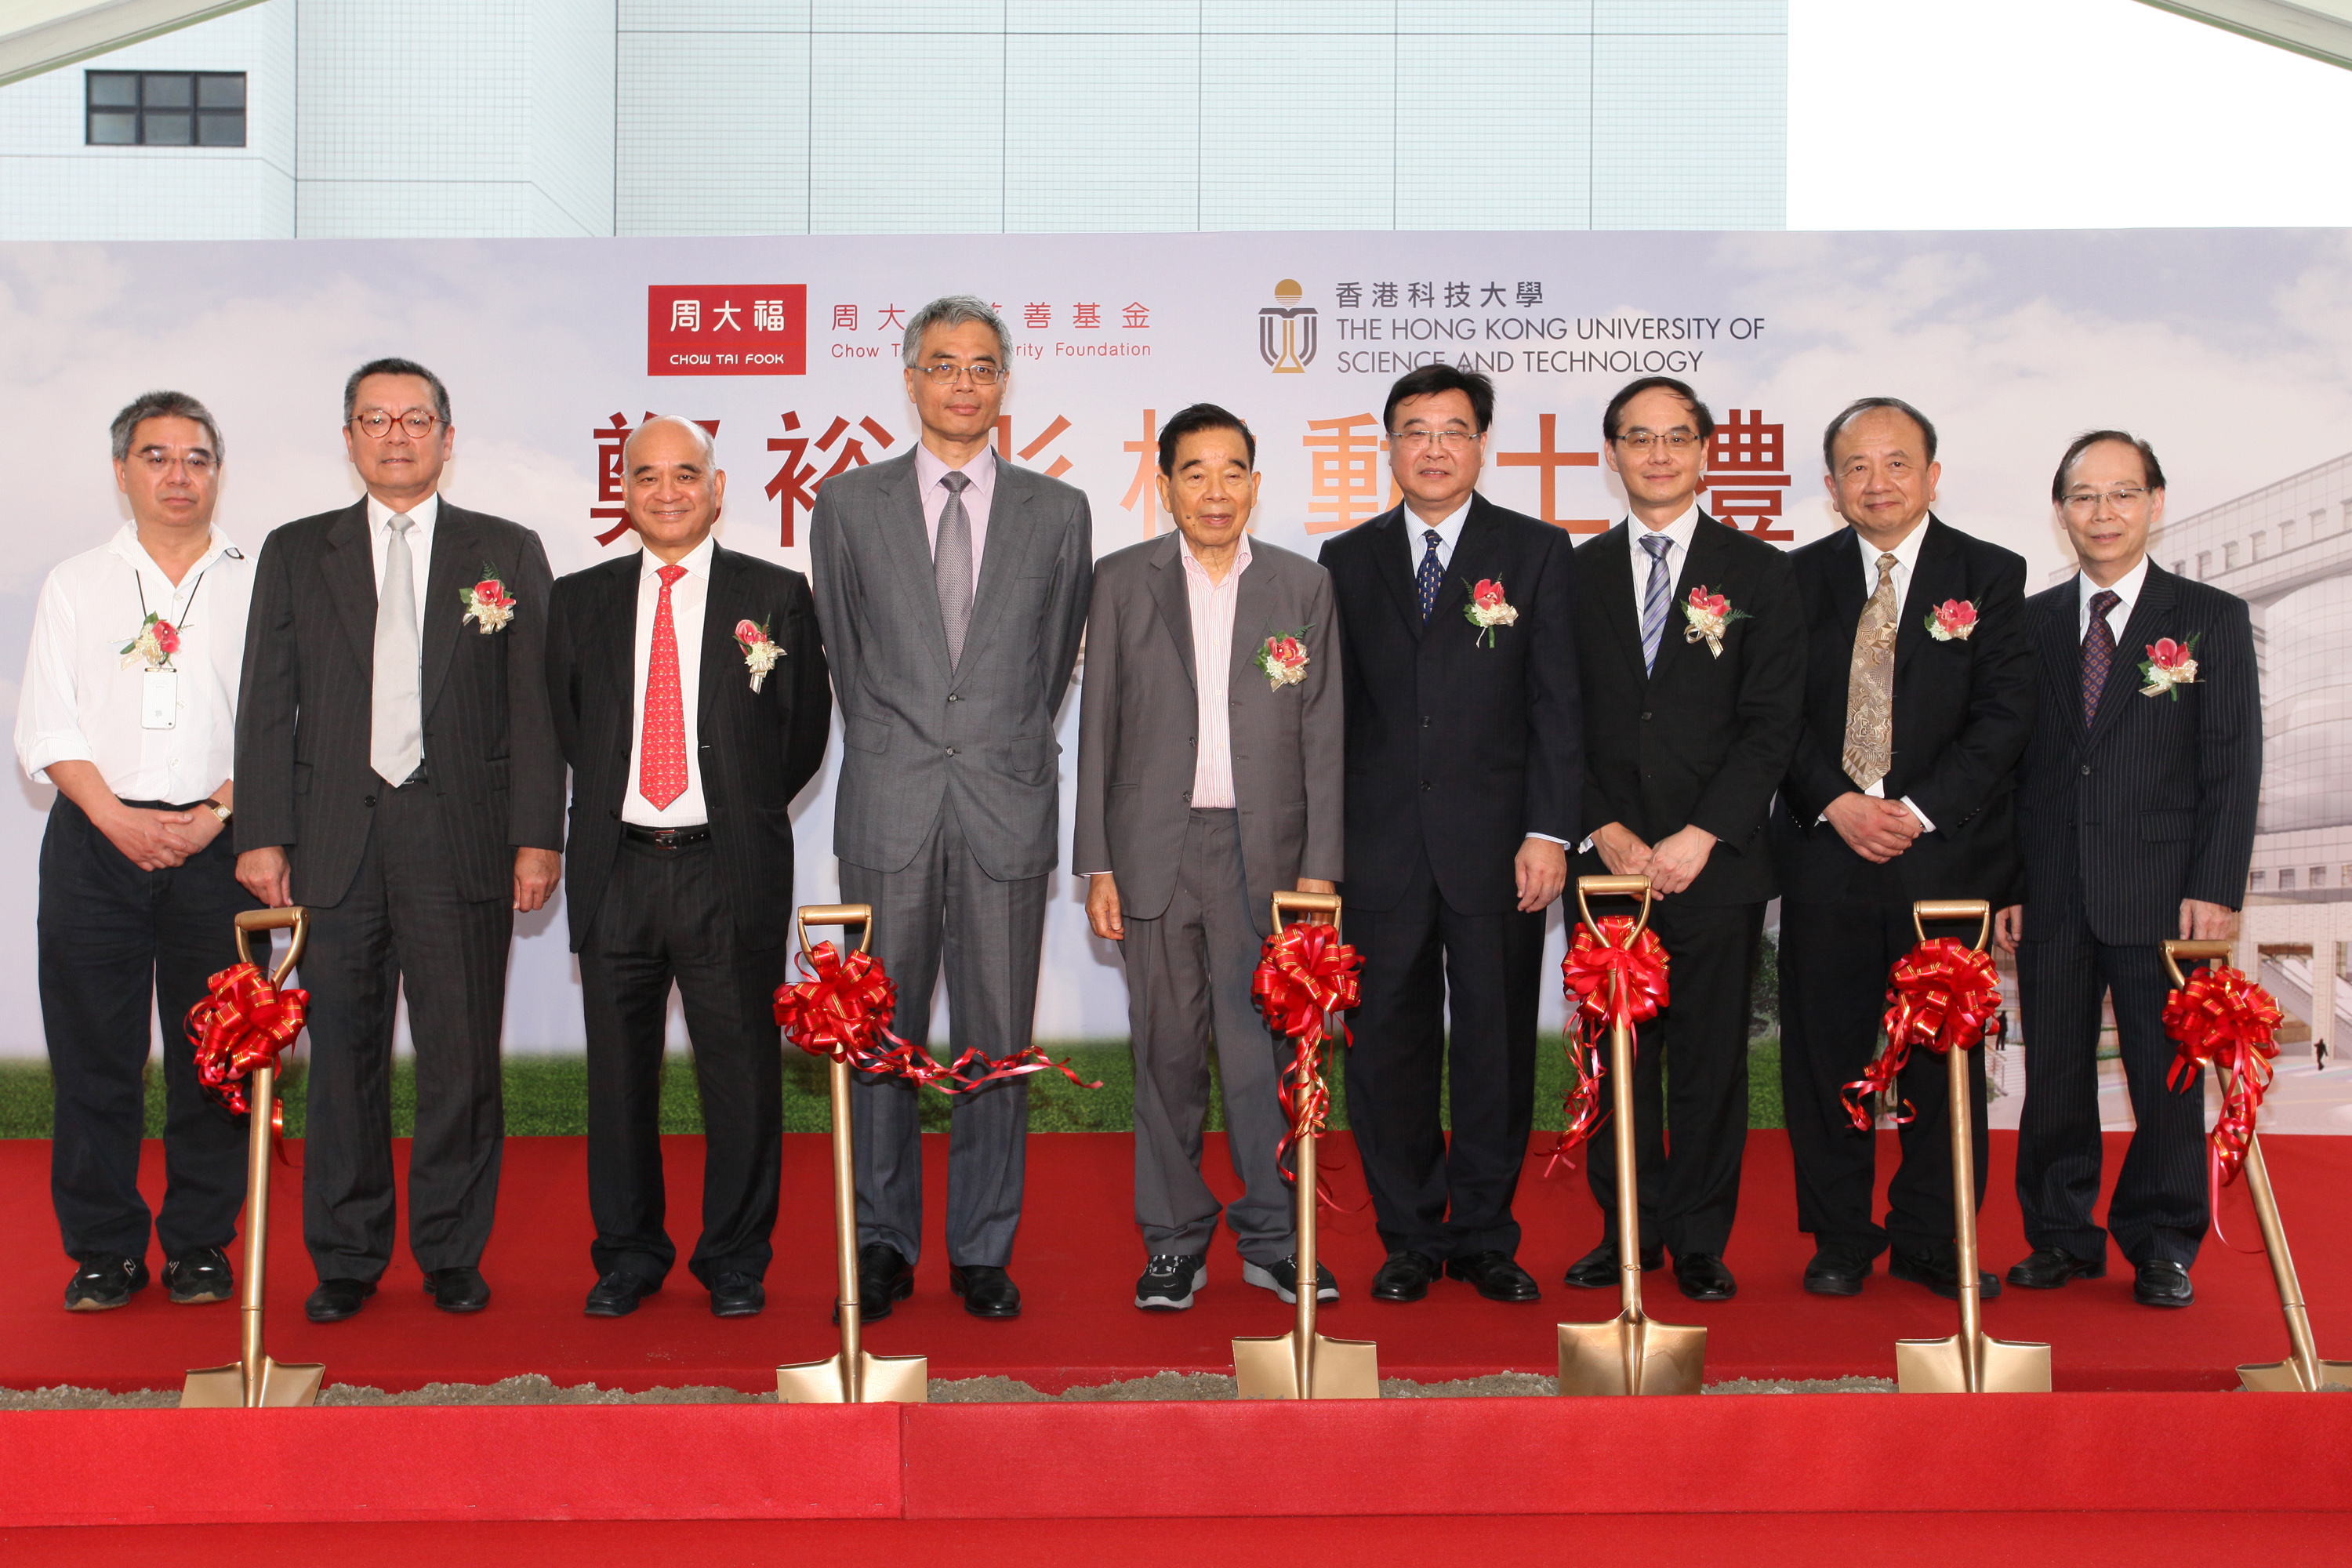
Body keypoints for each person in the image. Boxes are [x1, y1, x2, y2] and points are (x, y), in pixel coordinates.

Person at [234, 358, 564, 1322]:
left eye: (415, 418)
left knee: (461, 1057)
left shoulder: (506, 548)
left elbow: (537, 707)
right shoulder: (299, 550)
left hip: (462, 837)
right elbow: (267, 702)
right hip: (334, 840)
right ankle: (346, 1254)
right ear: (349, 438)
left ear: (447, 438)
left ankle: (452, 1250)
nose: (395, 435)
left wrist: (537, 835)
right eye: (374, 419)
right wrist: (262, 832)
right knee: (342, 1058)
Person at [808, 296, 1092, 1321]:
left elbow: (1050, 665)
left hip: (1005, 805)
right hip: (889, 801)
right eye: (944, 365)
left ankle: (981, 1247)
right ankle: (881, 1242)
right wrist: (904, 744)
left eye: (982, 366)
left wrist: (992, 744)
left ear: (1005, 383)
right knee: (878, 1034)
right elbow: (846, 654)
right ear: (911, 379)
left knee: (995, 1034)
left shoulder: (1059, 512)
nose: (964, 383)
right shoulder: (848, 504)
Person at [545, 416, 829, 1319]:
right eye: (646, 475)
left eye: (685, 474)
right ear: (623, 492)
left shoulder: (775, 595)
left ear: (717, 489)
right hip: (617, 868)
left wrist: (737, 806)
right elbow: (570, 727)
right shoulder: (578, 599)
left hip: (726, 867)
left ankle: (735, 1257)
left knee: (740, 1076)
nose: (666, 491)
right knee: (618, 1079)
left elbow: (803, 735)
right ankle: (629, 1253)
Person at [1317, 365, 1581, 1306]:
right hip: (1378, 849)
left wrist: (1549, 831)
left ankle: (1483, 1235)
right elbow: (1331, 716)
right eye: (1416, 431)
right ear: (1389, 446)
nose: (1434, 448)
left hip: (1500, 848)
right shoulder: (1345, 559)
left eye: (1453, 430)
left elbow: (1558, 704)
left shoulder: (1537, 550)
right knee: (1384, 1047)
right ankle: (1408, 1236)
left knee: (1494, 1047)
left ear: (1482, 444)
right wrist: (1323, 853)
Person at [1075, 403, 1344, 1311]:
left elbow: (1325, 734)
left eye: (1233, 471)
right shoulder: (1122, 581)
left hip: (1266, 855)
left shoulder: (1303, 586)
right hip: (1153, 849)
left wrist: (1320, 867)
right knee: (1166, 1055)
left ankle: (1276, 1238)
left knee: (1266, 1056)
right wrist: (1098, 863)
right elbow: (1099, 727)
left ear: (1256, 485)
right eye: (1195, 472)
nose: (1216, 490)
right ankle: (1174, 1241)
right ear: (1166, 487)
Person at [1770, 397, 2033, 1300]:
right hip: (1826, 852)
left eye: (1896, 463)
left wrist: (1916, 810)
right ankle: (1841, 1234)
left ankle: (1934, 1234)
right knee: (1827, 1055)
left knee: (1942, 1058)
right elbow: (1774, 714)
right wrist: (1837, 802)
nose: (1876, 482)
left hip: (1945, 863)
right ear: (1831, 482)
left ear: (1932, 474)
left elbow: (2005, 718)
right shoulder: (1794, 579)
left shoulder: (1990, 574)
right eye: (1857, 466)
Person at [1998, 431, 2259, 1308]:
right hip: (2051, 889)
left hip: (2165, 893)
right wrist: (2011, 885)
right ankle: (2060, 1235)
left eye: (2122, 493)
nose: (2102, 512)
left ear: (2155, 501)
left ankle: (2162, 1242)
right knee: (2055, 1076)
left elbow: (2233, 763)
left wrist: (2217, 884)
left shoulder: (2209, 616)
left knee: (2166, 1077)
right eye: (2084, 496)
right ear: (2060, 510)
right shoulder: (2029, 622)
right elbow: (2011, 766)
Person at [16, 390, 257, 1311]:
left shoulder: (259, 580)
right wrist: (115, 817)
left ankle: (200, 1242)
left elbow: (286, 721)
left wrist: (216, 811)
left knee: (216, 1057)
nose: (178, 475)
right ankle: (104, 1248)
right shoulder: (77, 582)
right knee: (95, 1057)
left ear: (218, 472)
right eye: (156, 456)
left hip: (222, 844)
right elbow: (46, 724)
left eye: (197, 457)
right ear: (122, 472)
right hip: (96, 842)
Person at [1566, 376, 1803, 1304]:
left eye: (1676, 437)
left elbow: (1773, 722)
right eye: (1639, 437)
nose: (1657, 454)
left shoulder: (1760, 572)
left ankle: (1701, 1237)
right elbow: (1553, 717)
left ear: (1705, 450)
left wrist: (1703, 832)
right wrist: (1603, 825)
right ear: (1612, 453)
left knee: (1709, 1058)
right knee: (1615, 1056)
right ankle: (1626, 1227)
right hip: (1608, 863)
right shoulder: (1574, 572)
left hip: (1717, 863)